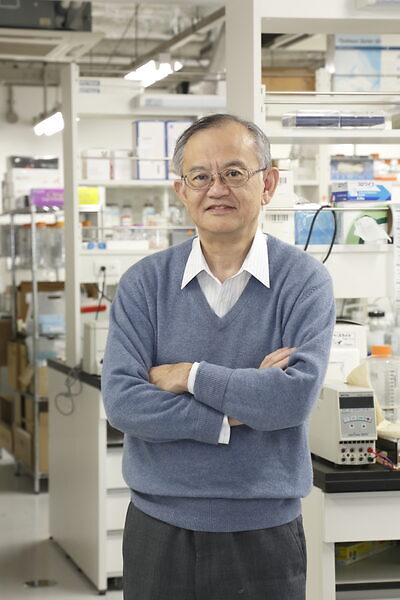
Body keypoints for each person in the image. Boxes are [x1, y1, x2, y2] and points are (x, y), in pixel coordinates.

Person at [101, 113, 335, 600]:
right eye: (200, 176)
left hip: (264, 533)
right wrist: (236, 410)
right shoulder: (145, 283)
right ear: (181, 190)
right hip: (158, 528)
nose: (217, 189)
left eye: (233, 172)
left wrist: (188, 375)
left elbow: (290, 402)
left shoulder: (304, 282)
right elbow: (123, 403)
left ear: (267, 184)